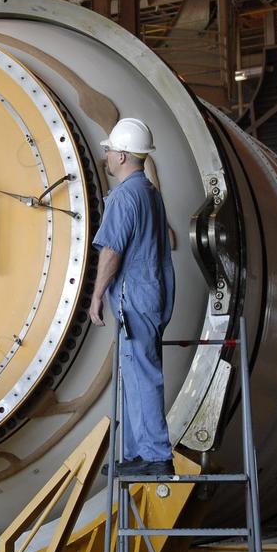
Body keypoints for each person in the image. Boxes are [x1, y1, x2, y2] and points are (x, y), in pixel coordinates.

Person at [88, 118, 176, 478]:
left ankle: (154, 454)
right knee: (137, 373)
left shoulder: (125, 197)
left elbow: (112, 252)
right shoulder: (150, 193)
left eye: (110, 151)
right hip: (151, 293)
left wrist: (96, 297)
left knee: (141, 374)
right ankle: (137, 454)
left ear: (123, 155)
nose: (106, 156)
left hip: (133, 296)